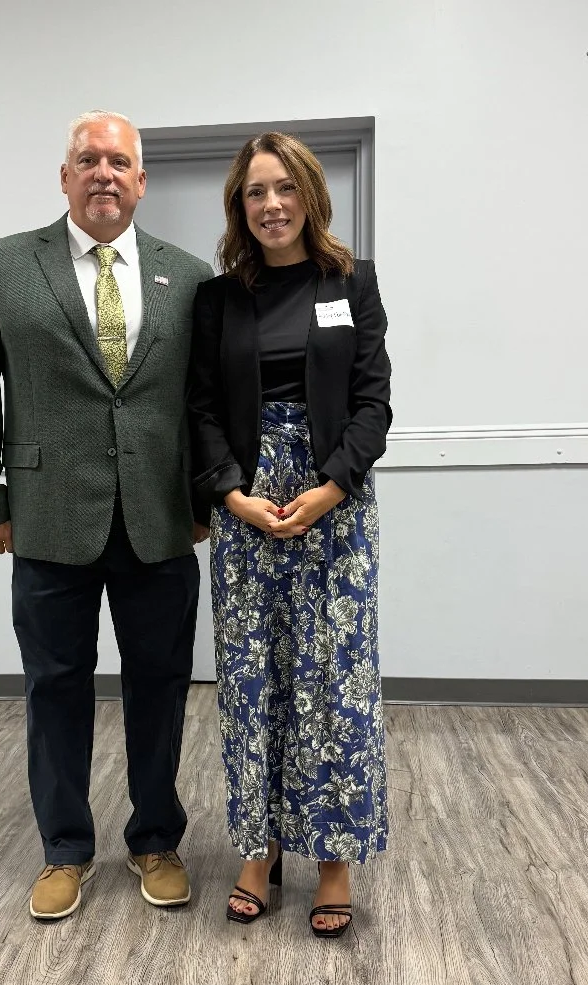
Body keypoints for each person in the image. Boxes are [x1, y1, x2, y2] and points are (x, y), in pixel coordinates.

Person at [0, 110, 213, 920]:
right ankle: (64, 848)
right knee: (53, 688)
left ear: (140, 180)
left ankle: (156, 838)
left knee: (160, 688)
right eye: (87, 159)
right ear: (64, 177)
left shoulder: (189, 274)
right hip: (45, 519)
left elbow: (203, 404)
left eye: (119, 161)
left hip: (160, 523)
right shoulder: (2, 265)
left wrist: (203, 500)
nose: (103, 172)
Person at [188, 132, 391, 938]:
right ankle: (259, 846)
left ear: (308, 194)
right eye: (253, 192)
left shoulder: (352, 281)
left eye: (283, 188)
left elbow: (374, 398)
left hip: (333, 504)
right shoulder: (218, 298)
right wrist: (230, 494)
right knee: (251, 681)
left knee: (334, 682)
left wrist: (331, 484)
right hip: (246, 508)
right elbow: (199, 408)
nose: (269, 204)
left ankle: (333, 857)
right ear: (239, 206)